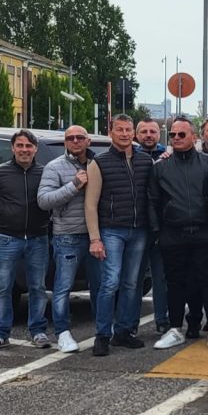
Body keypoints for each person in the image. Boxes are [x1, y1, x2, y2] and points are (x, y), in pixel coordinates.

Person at [149, 117, 208, 351]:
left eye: (182, 134)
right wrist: (157, 232)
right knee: (174, 283)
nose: (176, 139)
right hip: (172, 234)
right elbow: (153, 200)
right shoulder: (160, 167)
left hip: (204, 233)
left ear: (194, 137)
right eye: (172, 135)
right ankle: (175, 329)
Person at [85, 114, 156, 356]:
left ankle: (124, 332)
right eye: (119, 130)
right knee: (110, 283)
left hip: (139, 231)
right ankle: (102, 334)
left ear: (133, 133)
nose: (124, 134)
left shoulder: (146, 162)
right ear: (111, 132)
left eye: (128, 130)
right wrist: (95, 238)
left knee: (131, 284)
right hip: (111, 230)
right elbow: (90, 204)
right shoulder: (99, 163)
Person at [0, 130, 52, 351]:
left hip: (38, 238)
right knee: (3, 287)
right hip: (6, 238)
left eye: (28, 146)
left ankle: (38, 331)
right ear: (12, 148)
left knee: (38, 287)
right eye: (20, 145)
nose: (24, 150)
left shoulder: (44, 173)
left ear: (35, 149)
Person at [37, 125, 100, 354]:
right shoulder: (54, 167)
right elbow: (44, 200)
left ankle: (102, 331)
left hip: (96, 235)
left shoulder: (97, 164)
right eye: (70, 138)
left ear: (88, 141)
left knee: (100, 286)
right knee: (63, 286)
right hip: (67, 236)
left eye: (79, 137)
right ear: (65, 142)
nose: (75, 141)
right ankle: (62, 332)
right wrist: (73, 185)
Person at [134, 119, 171, 333]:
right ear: (137, 135)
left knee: (161, 278)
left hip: (161, 227)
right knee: (133, 279)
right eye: (144, 131)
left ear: (159, 134)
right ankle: (130, 323)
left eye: (152, 131)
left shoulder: (168, 157)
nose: (148, 135)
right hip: (136, 227)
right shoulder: (130, 156)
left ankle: (162, 320)